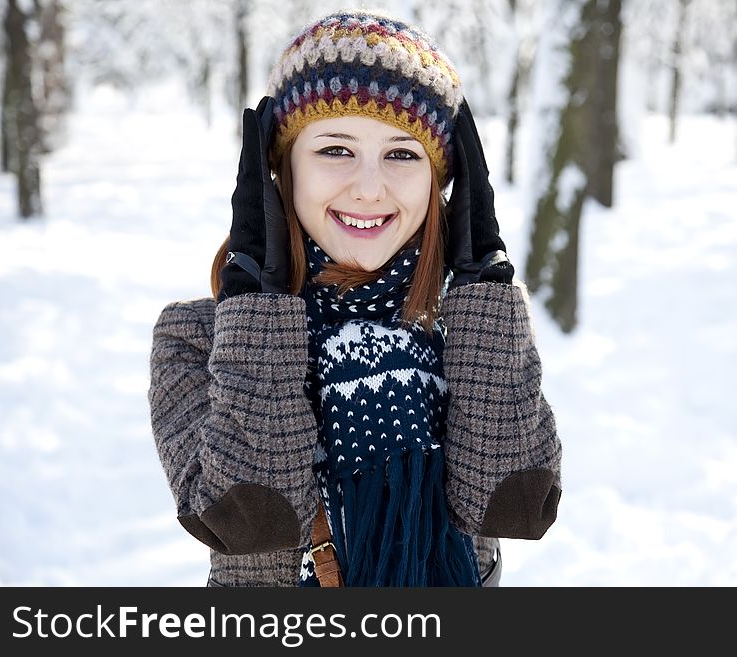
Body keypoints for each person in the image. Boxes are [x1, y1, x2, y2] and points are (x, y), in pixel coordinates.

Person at [148, 10, 561, 587]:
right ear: (280, 167)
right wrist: (260, 314)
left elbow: (513, 505)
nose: (369, 188)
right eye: (336, 150)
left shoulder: (465, 329)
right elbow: (250, 520)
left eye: (402, 154)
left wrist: (483, 285)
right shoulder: (198, 340)